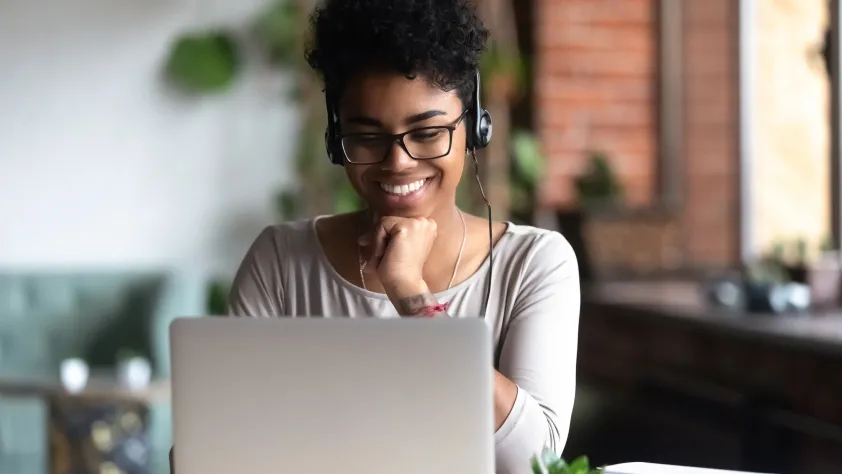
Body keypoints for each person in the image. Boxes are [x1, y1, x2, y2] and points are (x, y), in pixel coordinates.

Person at [172, 0, 580, 472]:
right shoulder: (281, 262)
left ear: (474, 128)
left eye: (426, 132)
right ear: (335, 139)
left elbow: (536, 460)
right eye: (367, 137)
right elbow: (210, 454)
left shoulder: (534, 263)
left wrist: (411, 295)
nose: (398, 162)